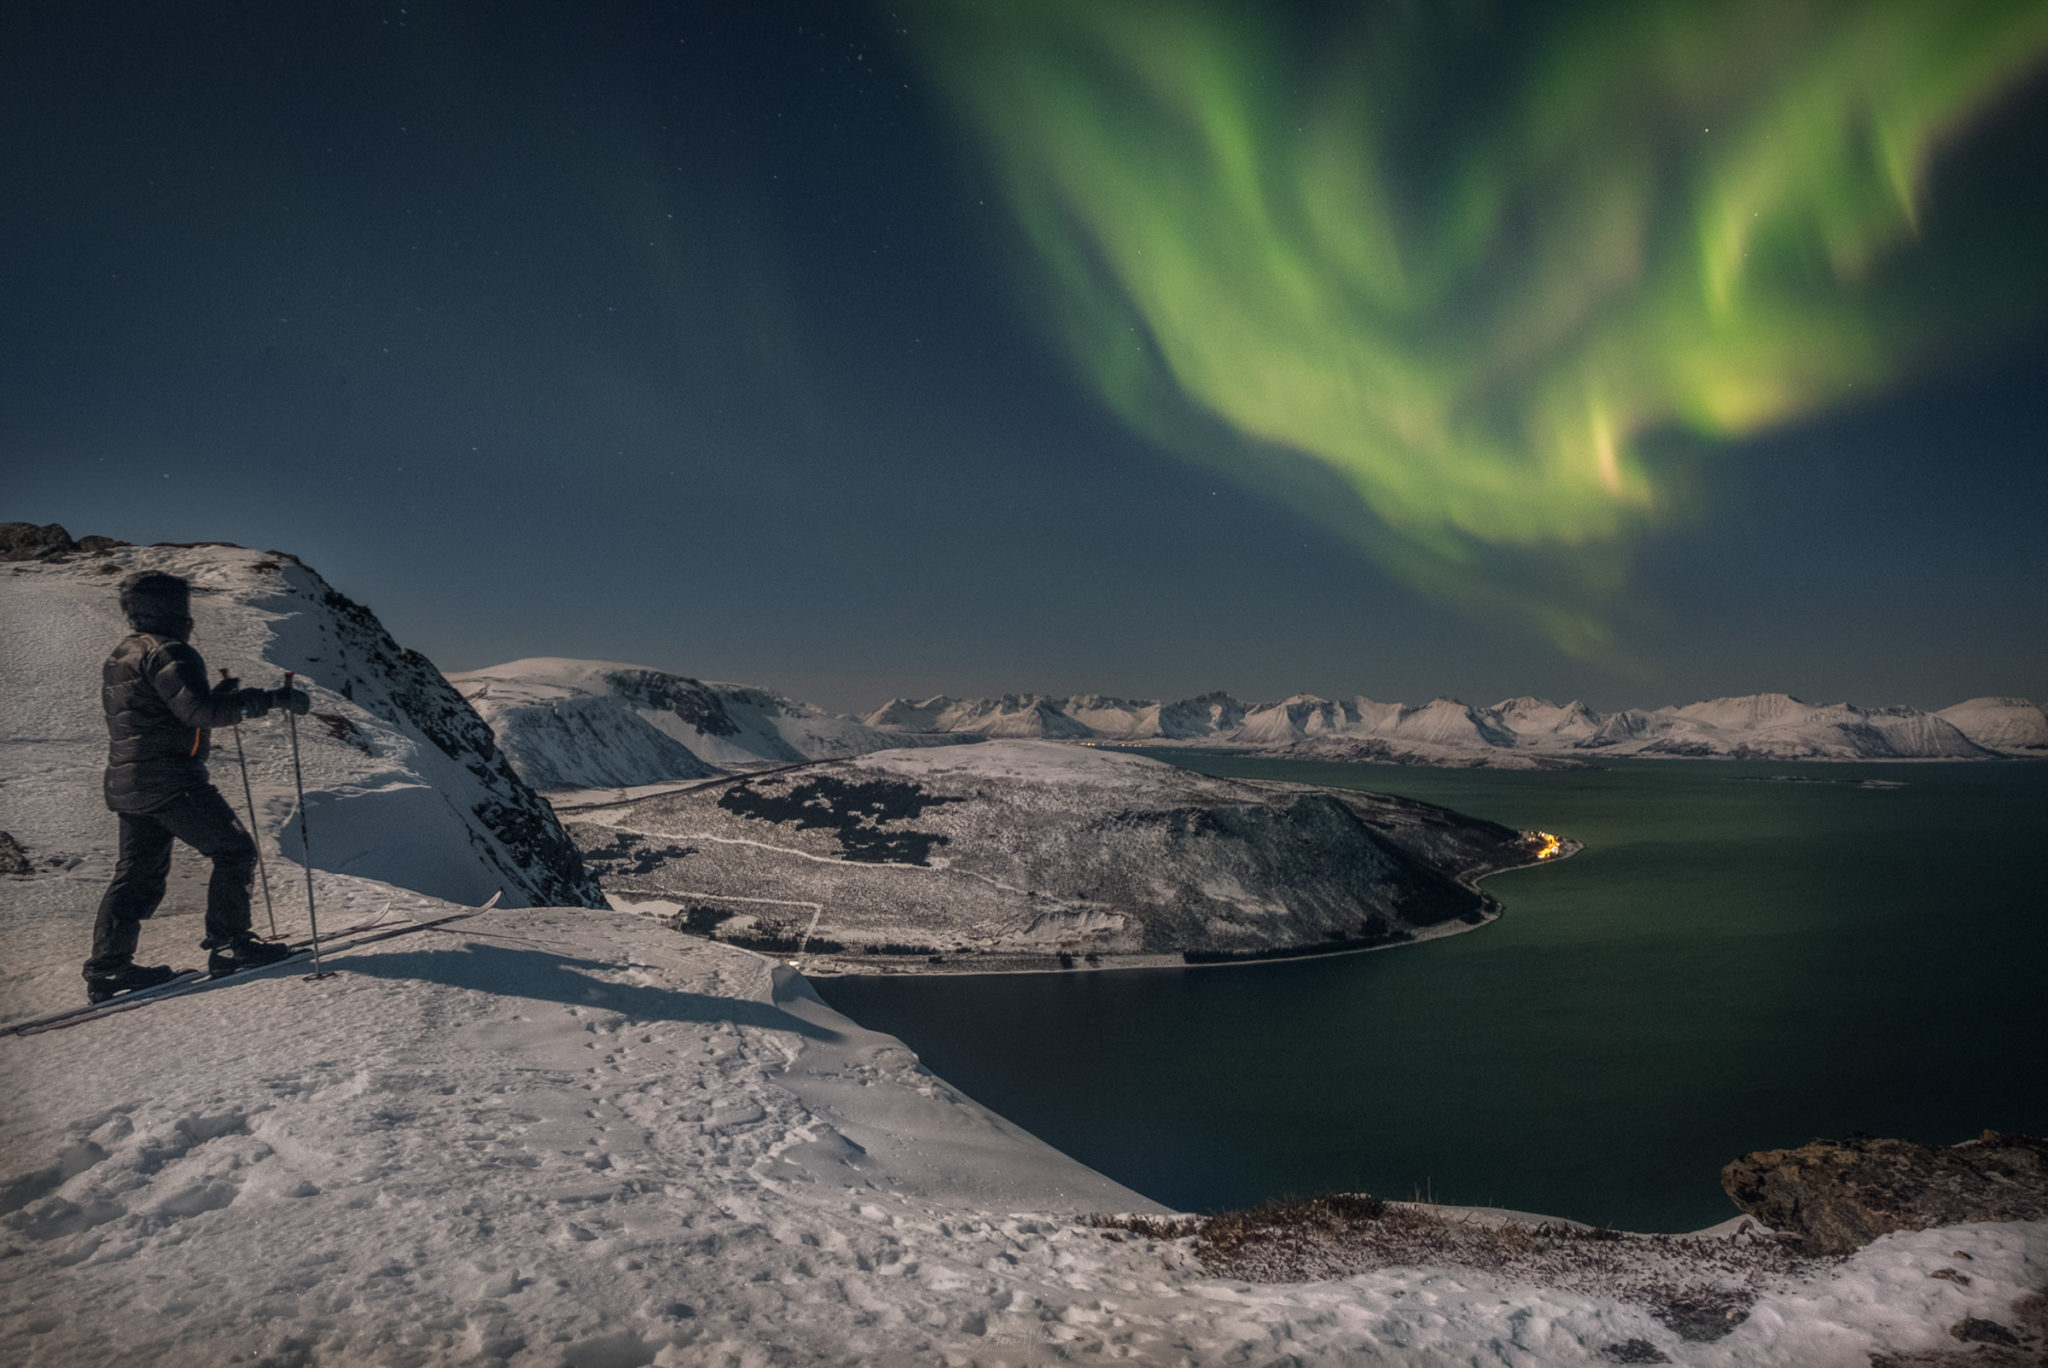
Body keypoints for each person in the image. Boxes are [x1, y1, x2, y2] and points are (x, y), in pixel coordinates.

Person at [83, 571, 311, 1002]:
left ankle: (109, 968)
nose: (190, 616)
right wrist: (271, 700)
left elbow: (164, 710)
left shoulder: (122, 654)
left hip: (129, 782)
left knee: (135, 875)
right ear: (172, 609)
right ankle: (230, 946)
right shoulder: (170, 650)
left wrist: (221, 696)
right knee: (234, 851)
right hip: (171, 780)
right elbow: (199, 713)